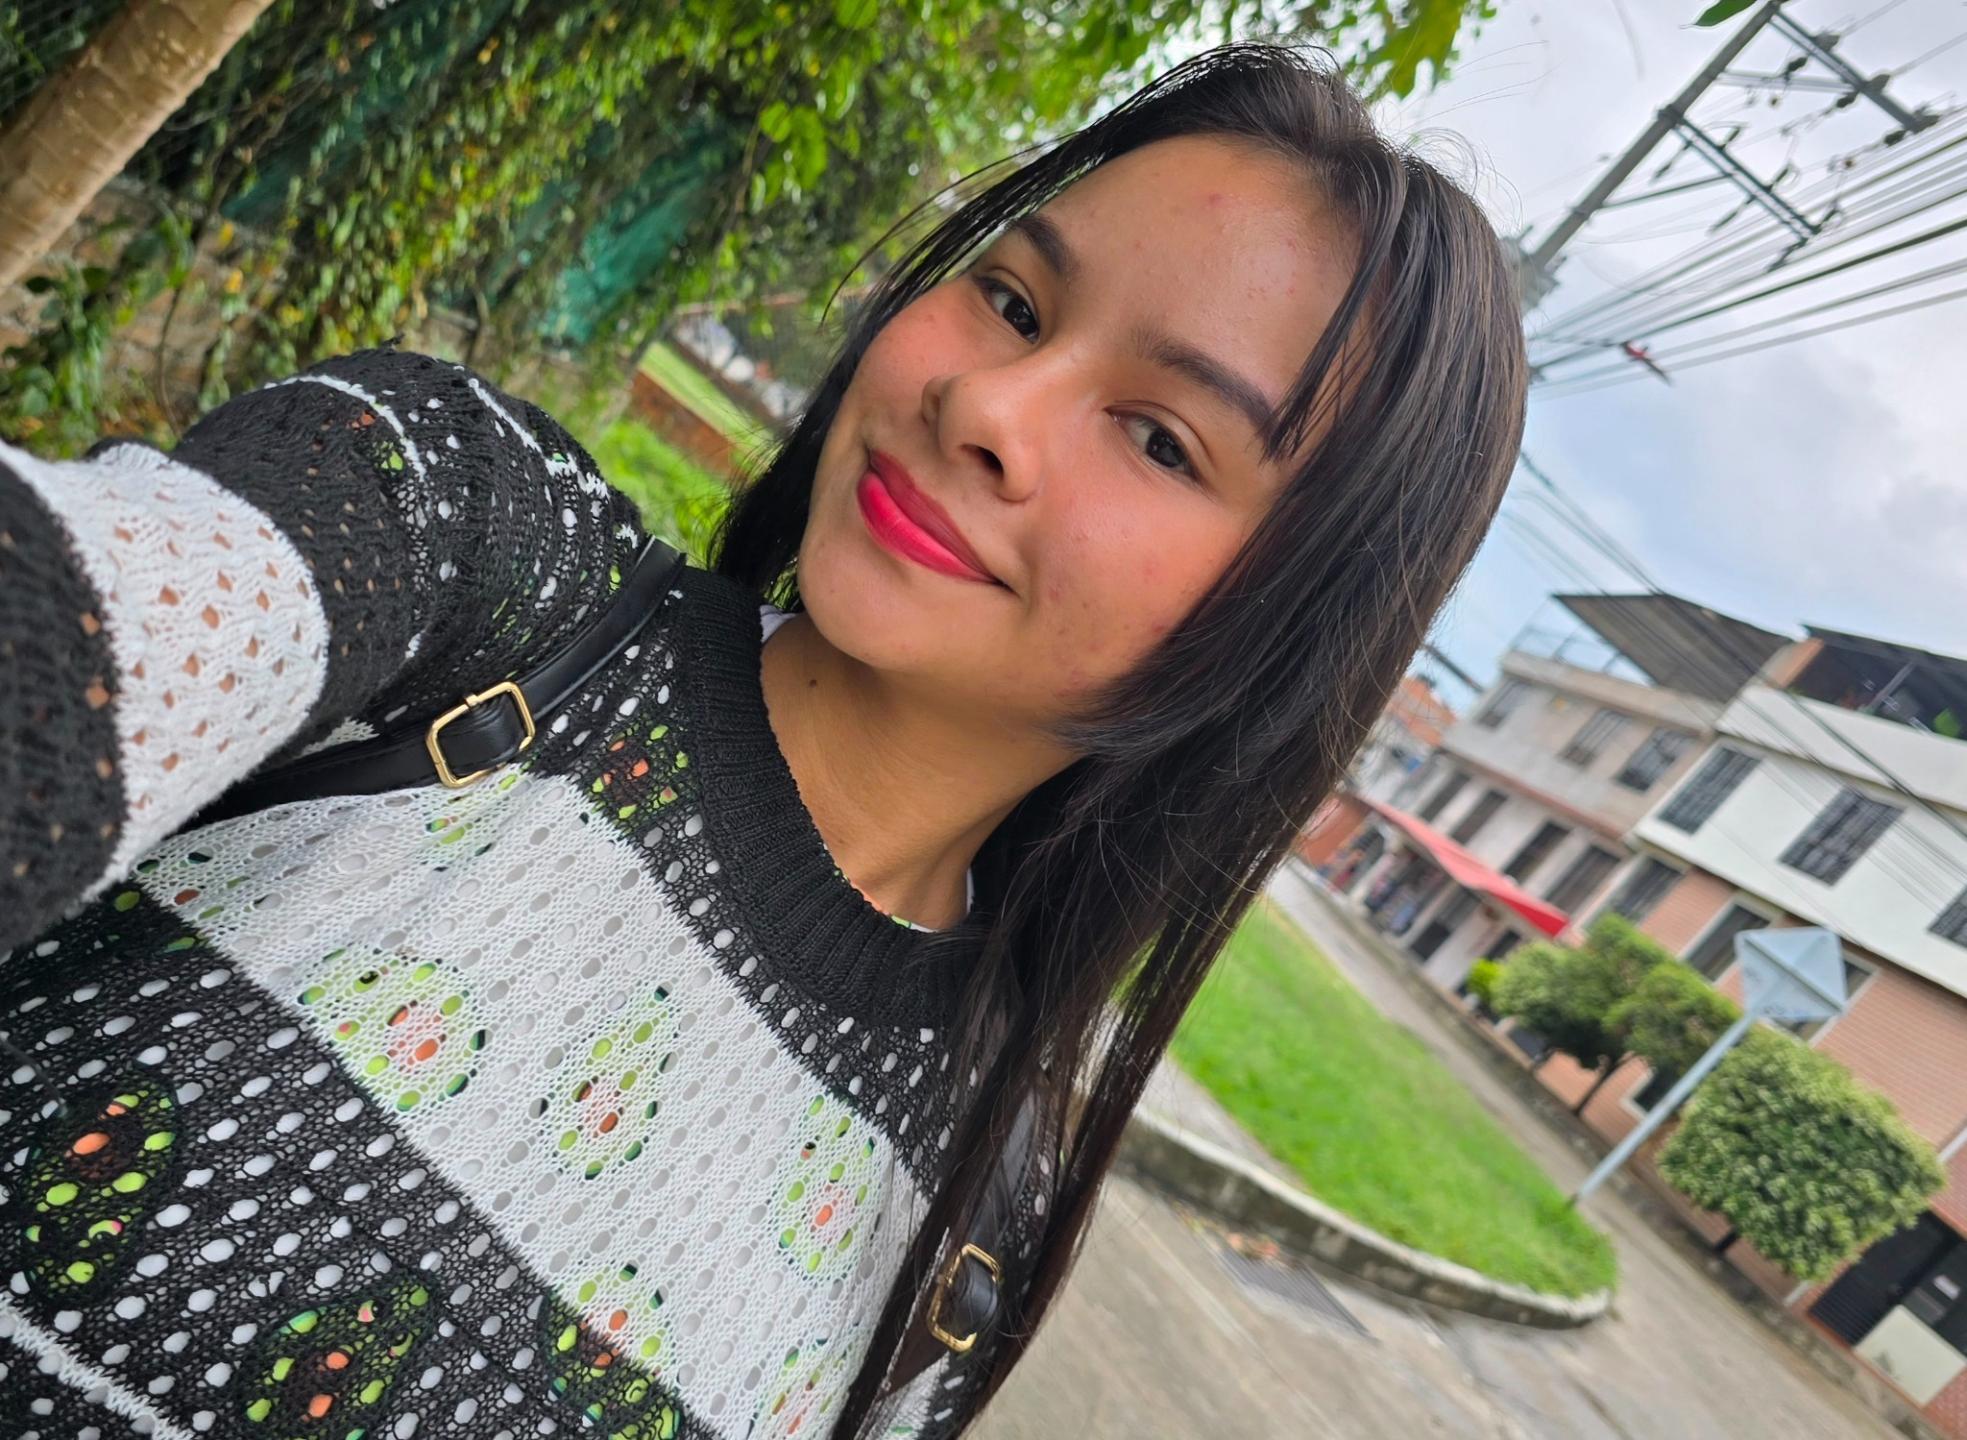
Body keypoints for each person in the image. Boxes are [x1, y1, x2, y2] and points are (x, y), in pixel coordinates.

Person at [0, 42, 1525, 1439]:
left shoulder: (969, 1230)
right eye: (1012, 302)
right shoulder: (459, 533)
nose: (989, 403)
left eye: (1160, 438)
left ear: (1284, 638)